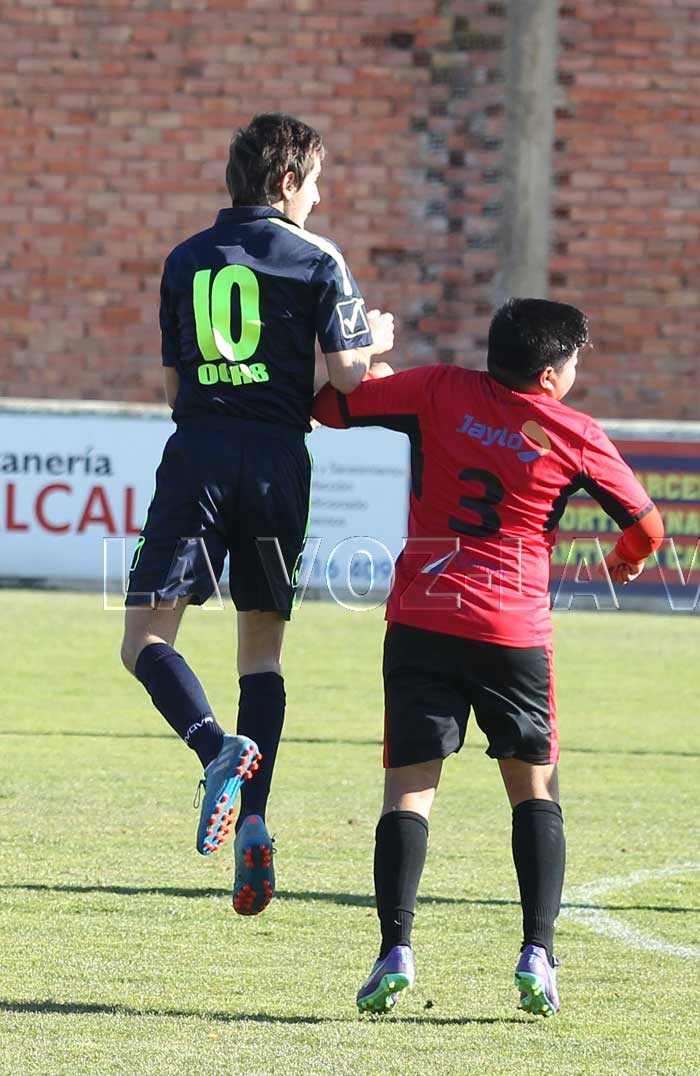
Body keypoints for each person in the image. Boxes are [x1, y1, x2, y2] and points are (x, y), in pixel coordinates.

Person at [312, 298, 664, 1015]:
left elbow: (329, 406)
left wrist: (367, 357)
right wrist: (625, 560)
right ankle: (538, 952)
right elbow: (647, 527)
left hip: (423, 618)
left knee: (409, 792)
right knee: (533, 793)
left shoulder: (436, 389)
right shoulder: (574, 433)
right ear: (549, 375)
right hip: (512, 631)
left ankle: (394, 951)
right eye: (574, 360)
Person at [121, 113, 394, 916]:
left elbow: (174, 387)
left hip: (199, 454)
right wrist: (373, 341)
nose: (320, 198)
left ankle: (213, 748)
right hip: (277, 462)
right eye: (316, 183)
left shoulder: (185, 259)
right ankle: (255, 824)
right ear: (287, 182)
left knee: (144, 642)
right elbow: (350, 378)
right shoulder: (319, 258)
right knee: (261, 657)